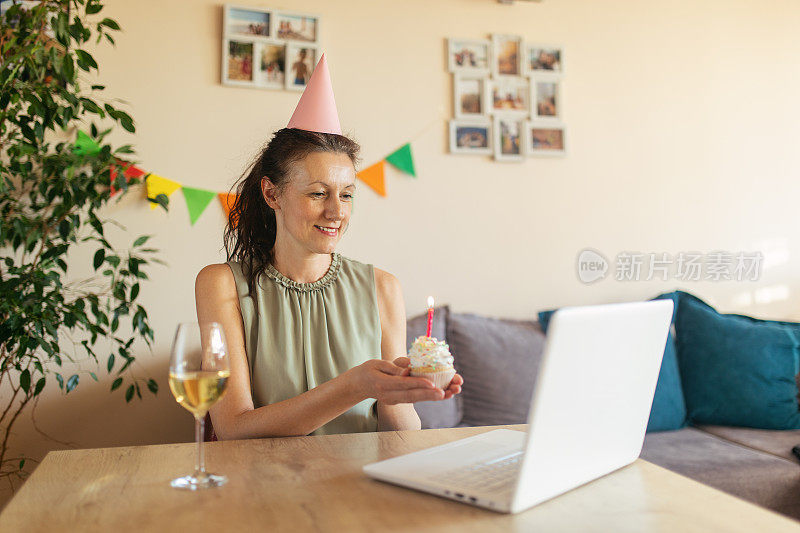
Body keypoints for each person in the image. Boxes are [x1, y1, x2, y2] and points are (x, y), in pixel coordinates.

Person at [195, 55, 462, 440]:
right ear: (272, 193)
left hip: (361, 486)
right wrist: (355, 386)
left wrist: (400, 392)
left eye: (347, 195)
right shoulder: (221, 285)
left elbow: (400, 434)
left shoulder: (383, 287)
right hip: (266, 491)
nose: (337, 212)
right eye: (318, 193)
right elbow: (234, 428)